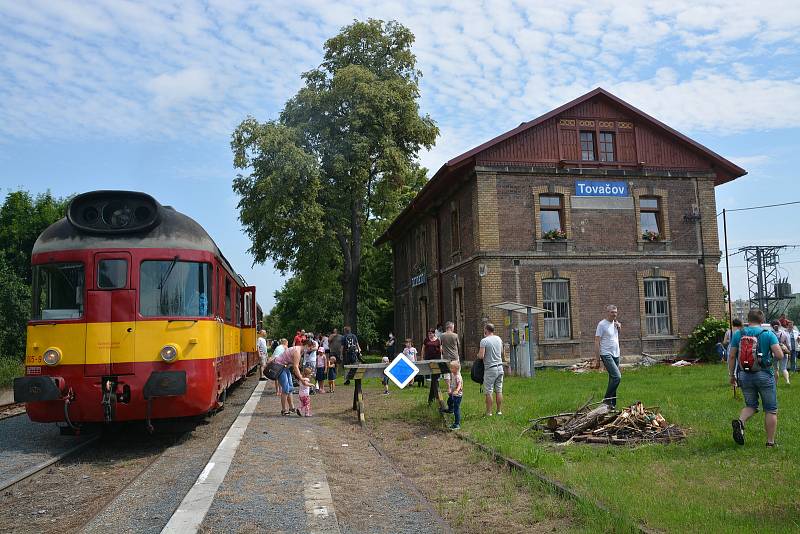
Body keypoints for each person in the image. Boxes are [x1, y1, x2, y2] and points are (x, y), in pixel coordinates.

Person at [729, 309, 783, 447]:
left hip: (744, 375)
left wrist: (732, 375)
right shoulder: (768, 334)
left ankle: (740, 422)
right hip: (764, 374)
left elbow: (732, 356)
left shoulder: (738, 334)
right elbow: (779, 355)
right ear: (762, 320)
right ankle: (770, 442)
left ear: (748, 319)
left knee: (751, 405)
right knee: (770, 409)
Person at [272, 338, 312, 416]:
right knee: (286, 389)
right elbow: (296, 367)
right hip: (279, 366)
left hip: (284, 366)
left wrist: (300, 377)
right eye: (310, 348)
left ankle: (291, 407)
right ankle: (283, 410)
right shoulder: (297, 351)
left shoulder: (298, 350)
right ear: (307, 346)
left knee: (290, 387)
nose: (310, 350)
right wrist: (301, 378)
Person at [594, 305, 622, 408]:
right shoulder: (602, 324)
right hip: (606, 354)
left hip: (616, 353)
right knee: (617, 377)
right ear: (607, 312)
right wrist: (598, 359)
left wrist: (619, 328)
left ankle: (612, 406)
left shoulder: (615, 324)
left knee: (612, 379)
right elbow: (597, 341)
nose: (614, 314)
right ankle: (606, 400)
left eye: (616, 312)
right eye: (612, 312)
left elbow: (615, 337)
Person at [476, 323, 503, 416]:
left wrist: (478, 355)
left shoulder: (484, 341)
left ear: (486, 330)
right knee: (499, 390)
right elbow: (501, 352)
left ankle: (489, 412)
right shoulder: (499, 339)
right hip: (500, 367)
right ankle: (499, 411)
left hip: (490, 369)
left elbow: (481, 356)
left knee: (488, 391)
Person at [440, 359, 463, 430]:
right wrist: (450, 389)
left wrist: (456, 390)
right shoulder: (453, 374)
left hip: (457, 395)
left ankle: (457, 424)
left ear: (456, 369)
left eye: (451, 368)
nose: (450, 369)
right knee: (449, 401)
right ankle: (450, 409)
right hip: (453, 394)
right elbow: (452, 383)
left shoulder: (458, 376)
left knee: (456, 409)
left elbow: (459, 385)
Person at [440, 321, 460, 389]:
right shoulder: (455, 335)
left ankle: (449, 387)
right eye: (453, 327)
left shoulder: (442, 335)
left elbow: (440, 345)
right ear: (450, 327)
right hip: (454, 356)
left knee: (446, 372)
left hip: (446, 356)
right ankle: (456, 385)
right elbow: (458, 345)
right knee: (456, 371)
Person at [770, 320, 791, 385]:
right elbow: (788, 344)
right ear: (780, 325)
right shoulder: (785, 333)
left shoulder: (770, 333)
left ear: (771, 326)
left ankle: (775, 383)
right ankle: (787, 381)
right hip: (784, 351)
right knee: (784, 368)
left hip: (775, 353)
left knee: (776, 369)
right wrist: (789, 351)